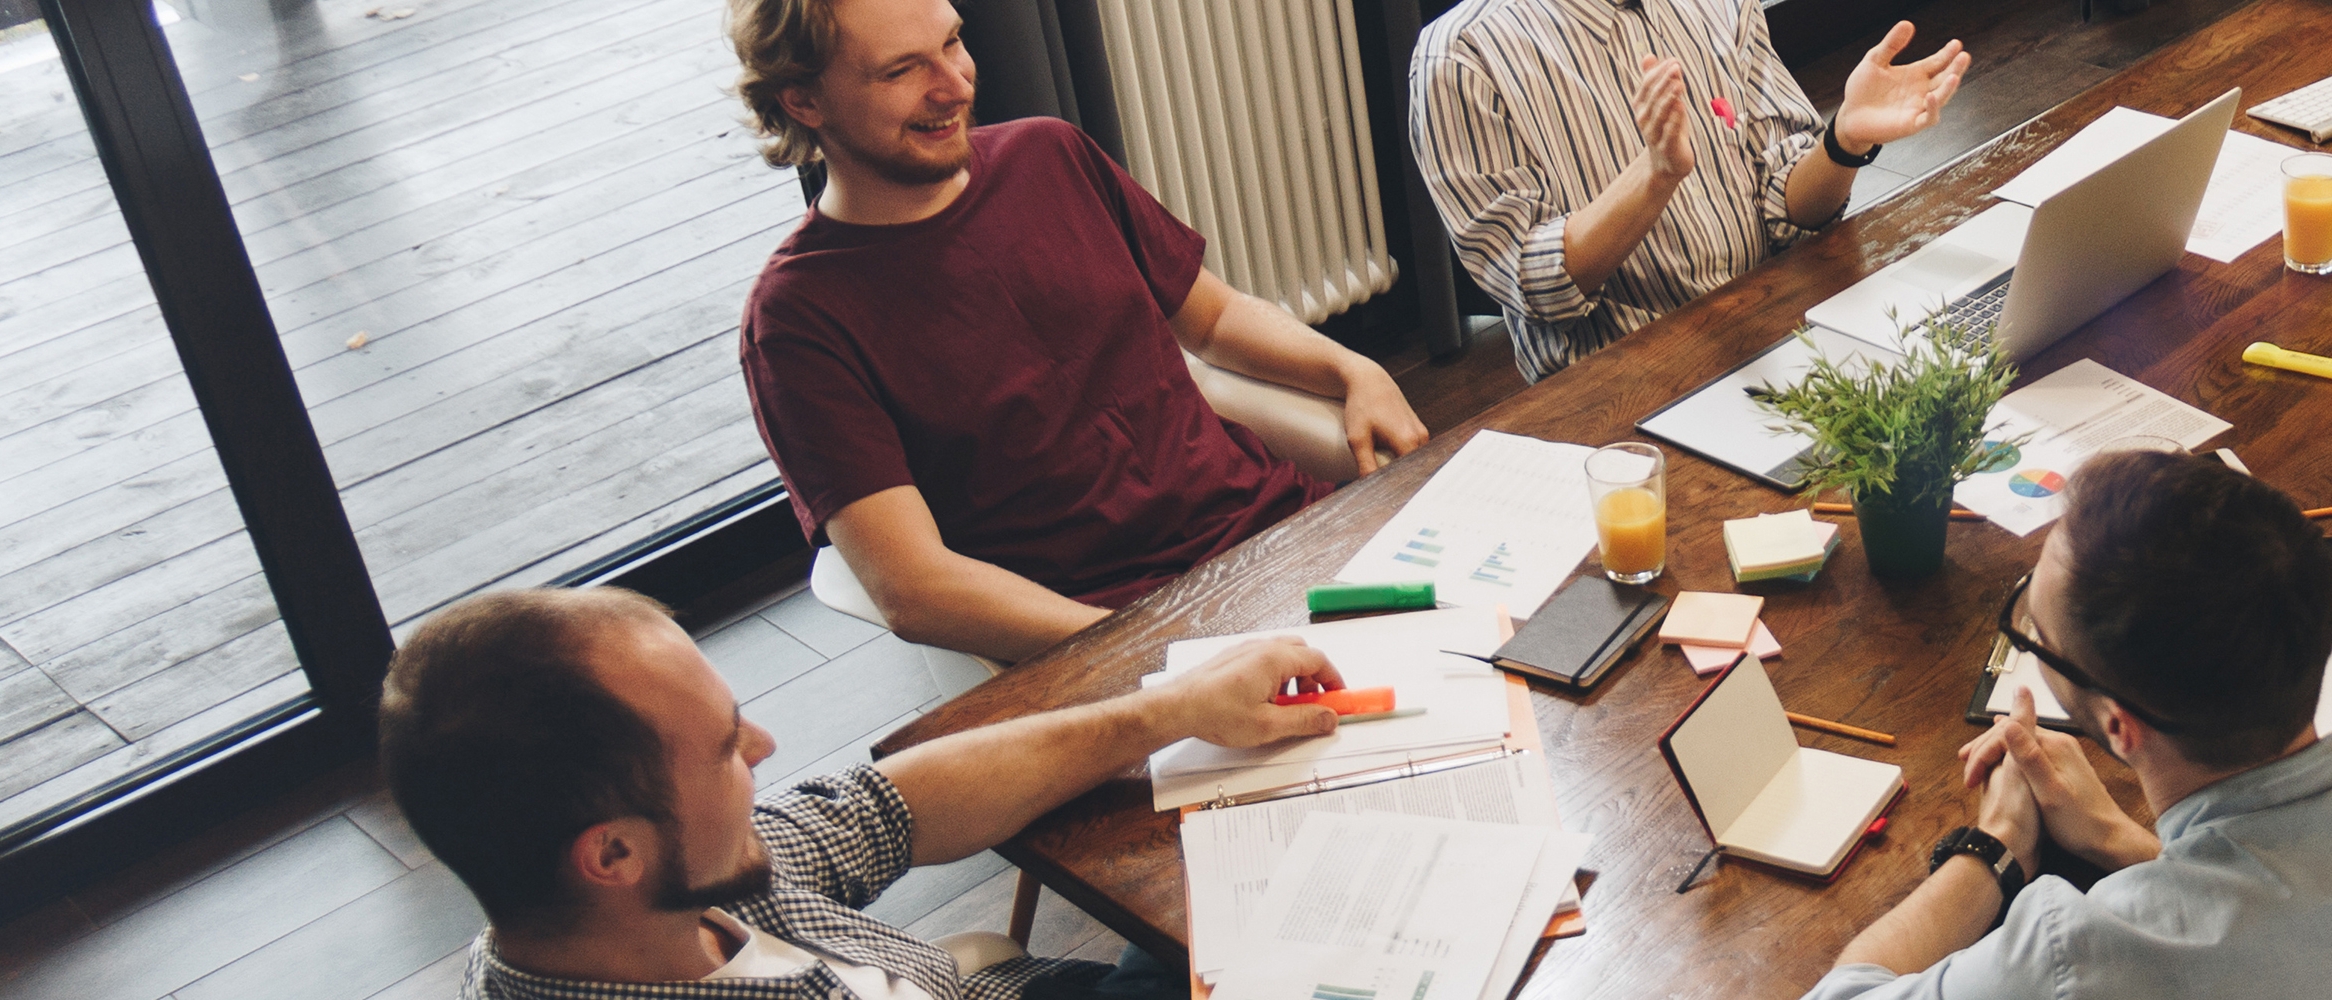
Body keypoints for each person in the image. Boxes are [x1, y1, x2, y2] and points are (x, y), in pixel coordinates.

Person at [731, 0, 1429, 664]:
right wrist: (1155, 649)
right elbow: (913, 589)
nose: (955, 85)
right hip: (1103, 631)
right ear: (804, 100)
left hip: (1278, 540)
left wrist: (1354, 371)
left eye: (951, 42)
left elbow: (1213, 320)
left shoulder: (1051, 154)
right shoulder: (796, 321)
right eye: (901, 70)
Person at [1803, 450, 2332, 1000]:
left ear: (2121, 731)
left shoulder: (2078, 958)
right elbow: (2311, 931)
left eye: (2035, 639)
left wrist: (1993, 848)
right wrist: (2128, 844)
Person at [379, 587, 1352, 999]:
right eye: (725, 750)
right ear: (613, 854)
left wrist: (1174, 708)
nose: (762, 745)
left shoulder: (687, 884)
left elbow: (891, 806)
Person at [1411, 2, 1969, 381]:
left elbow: (1786, 205)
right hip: (1627, 388)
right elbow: (1531, 284)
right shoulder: (1459, 55)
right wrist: (1653, 176)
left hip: (1780, 328)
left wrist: (1842, 140)